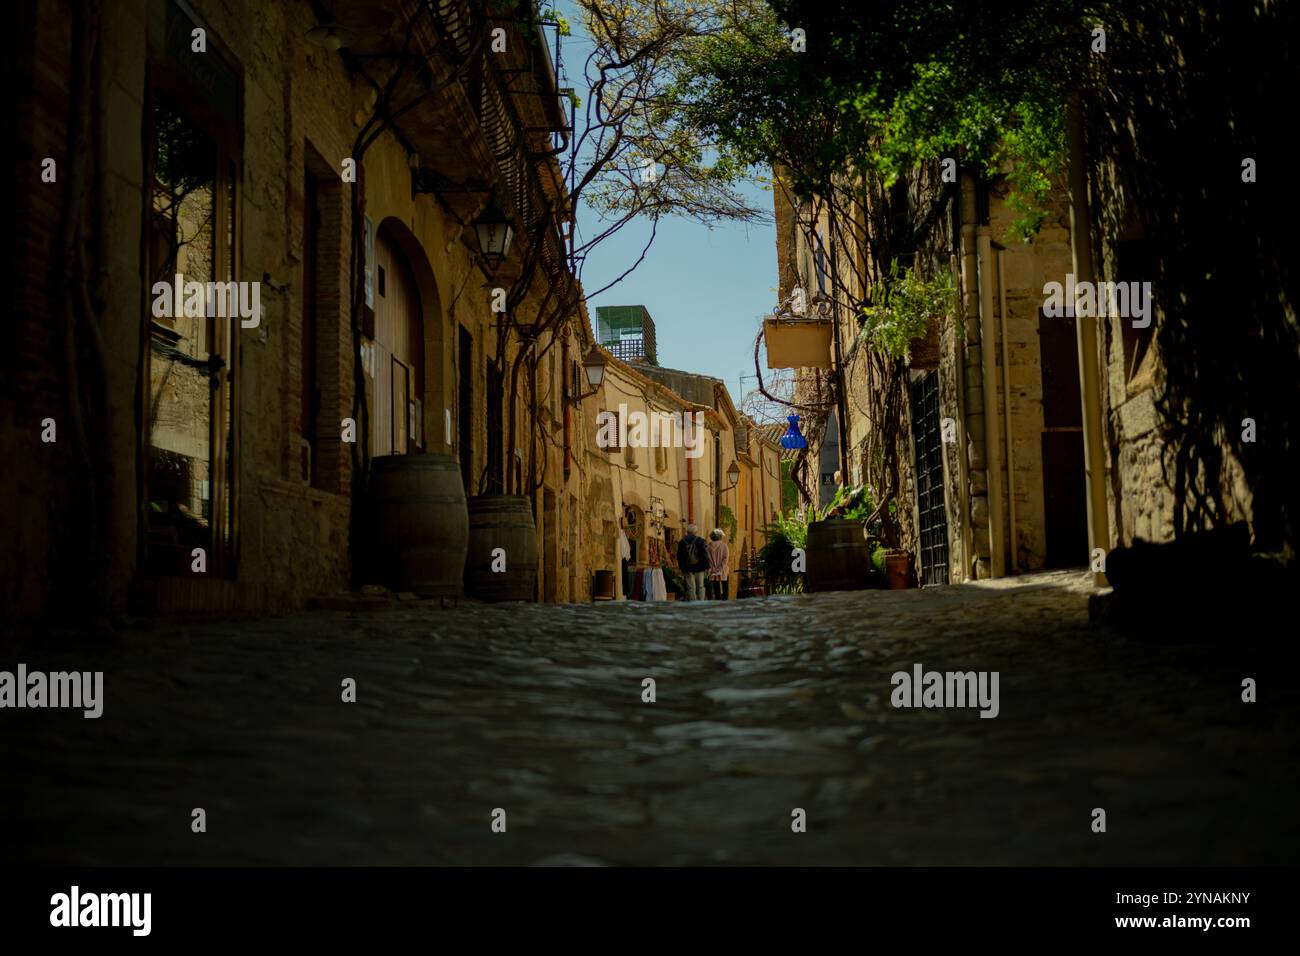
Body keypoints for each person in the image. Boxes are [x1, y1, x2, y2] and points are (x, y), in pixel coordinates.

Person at [676, 523, 709, 601]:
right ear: (696, 532)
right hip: (699, 567)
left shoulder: (682, 542)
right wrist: (706, 566)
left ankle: (692, 603)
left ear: (687, 532)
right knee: (700, 586)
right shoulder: (700, 541)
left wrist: (682, 567)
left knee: (691, 587)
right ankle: (700, 602)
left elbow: (679, 556)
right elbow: (704, 554)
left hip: (687, 568)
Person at [706, 528, 730, 600]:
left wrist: (713, 569)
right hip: (722, 570)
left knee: (716, 586)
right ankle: (725, 600)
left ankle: (717, 600)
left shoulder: (708, 547)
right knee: (724, 585)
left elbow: (707, 559)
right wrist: (721, 568)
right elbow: (725, 558)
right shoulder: (724, 546)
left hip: (712, 570)